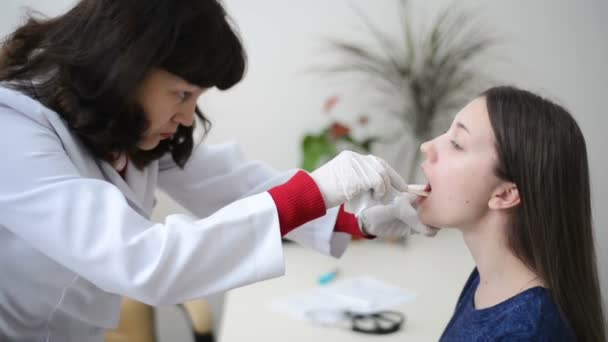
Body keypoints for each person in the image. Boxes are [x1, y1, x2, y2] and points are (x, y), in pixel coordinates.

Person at [0, 0, 428, 341]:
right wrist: (318, 189)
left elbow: (235, 185)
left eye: (195, 97)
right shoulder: (14, 133)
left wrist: (361, 220)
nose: (188, 117)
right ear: (122, 68)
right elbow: (143, 260)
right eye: (182, 93)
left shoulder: (122, 124)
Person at [414, 86, 606, 341]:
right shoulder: (489, 280)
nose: (427, 146)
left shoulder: (529, 331)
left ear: (505, 194)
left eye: (457, 144)